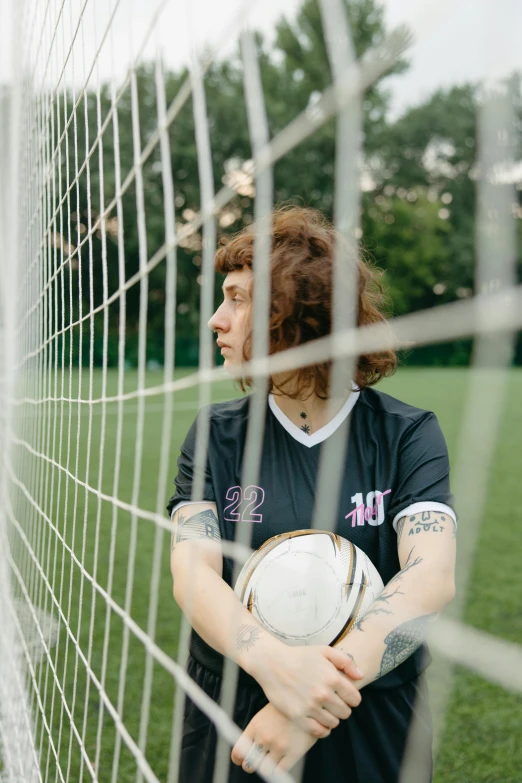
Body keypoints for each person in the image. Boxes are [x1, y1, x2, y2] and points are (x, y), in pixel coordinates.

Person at [168, 207, 456, 783]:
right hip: (235, 715)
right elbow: (192, 573)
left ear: (292, 311)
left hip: (368, 714)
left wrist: (304, 707)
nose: (216, 320)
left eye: (237, 299)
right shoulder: (217, 433)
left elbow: (430, 576)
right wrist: (275, 668)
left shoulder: (405, 433)